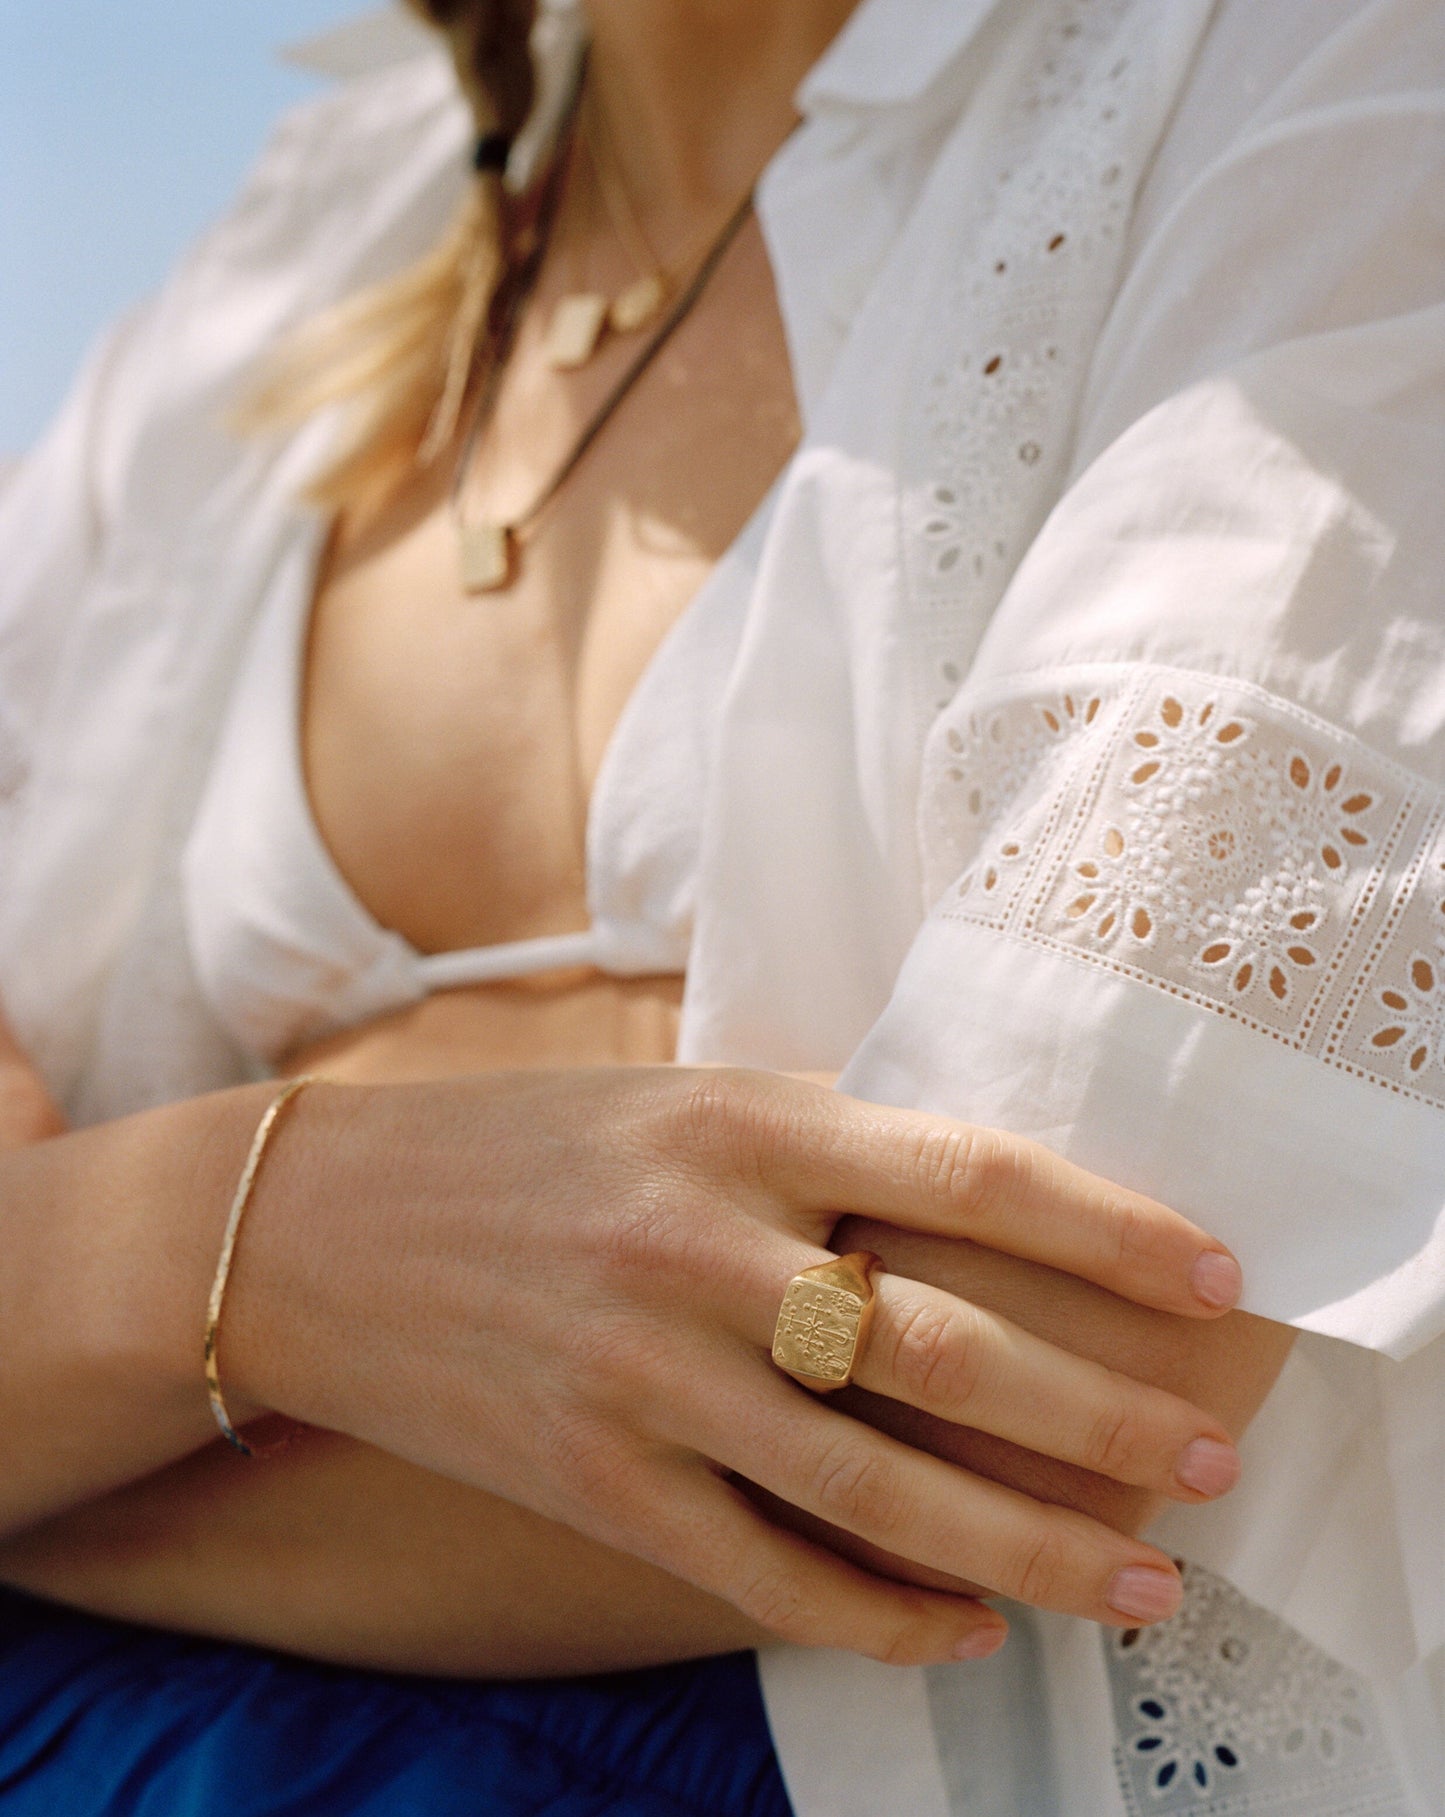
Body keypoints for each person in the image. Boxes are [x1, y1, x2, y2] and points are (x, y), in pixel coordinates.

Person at [0, 1, 1438, 1813]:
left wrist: (77, 1374)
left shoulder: (1323, 73)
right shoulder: (318, 228)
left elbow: (1018, 1397)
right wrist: (269, 1242)